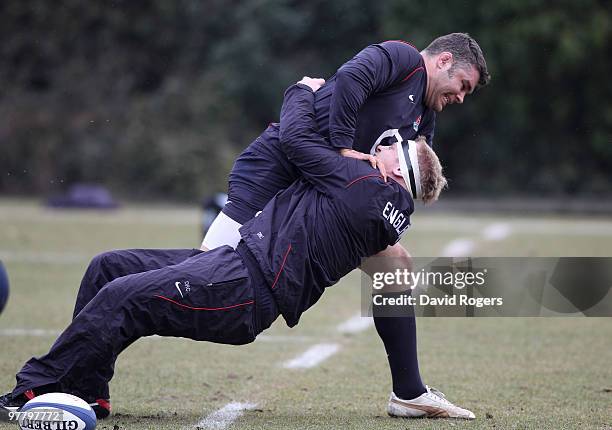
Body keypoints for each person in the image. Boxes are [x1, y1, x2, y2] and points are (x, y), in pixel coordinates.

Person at [0, 78, 472, 422]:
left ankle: (31, 390)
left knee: (123, 296)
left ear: (395, 173)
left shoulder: (363, 184)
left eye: (393, 148)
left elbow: (297, 139)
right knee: (109, 268)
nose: (383, 145)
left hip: (241, 288)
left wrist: (302, 91)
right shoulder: (380, 201)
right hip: (235, 269)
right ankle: (87, 393)